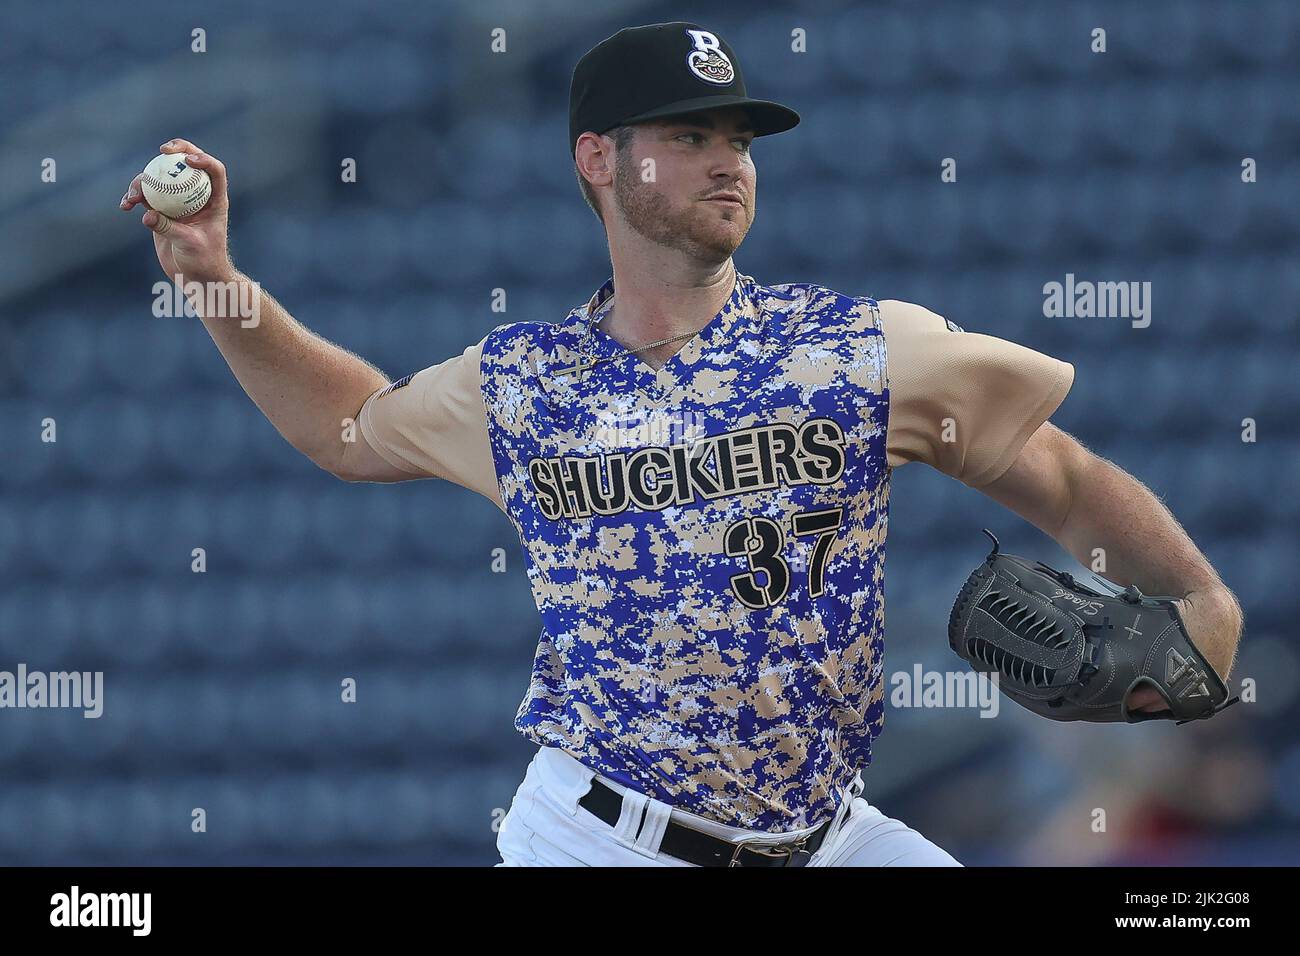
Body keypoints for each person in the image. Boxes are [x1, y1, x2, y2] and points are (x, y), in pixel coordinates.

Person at [120, 21, 1243, 867]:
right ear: (597, 161)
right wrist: (220, 287)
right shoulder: (523, 382)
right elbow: (349, 426)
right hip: (600, 837)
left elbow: (1065, 475)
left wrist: (1197, 599)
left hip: (830, 834)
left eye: (740, 138)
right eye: (690, 134)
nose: (729, 160)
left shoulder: (857, 349)